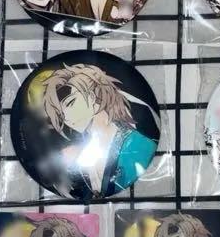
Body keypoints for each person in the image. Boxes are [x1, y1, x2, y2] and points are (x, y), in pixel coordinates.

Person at [41, 63, 157, 199]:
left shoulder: (140, 146)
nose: (66, 118)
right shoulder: (83, 157)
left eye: (71, 103)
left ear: (93, 95)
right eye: (60, 115)